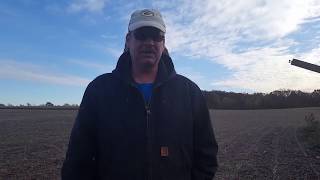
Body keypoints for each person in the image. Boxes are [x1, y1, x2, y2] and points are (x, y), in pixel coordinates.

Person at [61, 8, 218, 180]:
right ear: (128, 40)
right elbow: (78, 158)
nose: (149, 42)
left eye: (156, 35)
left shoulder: (189, 92)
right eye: (142, 34)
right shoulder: (99, 90)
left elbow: (206, 154)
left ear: (163, 43)